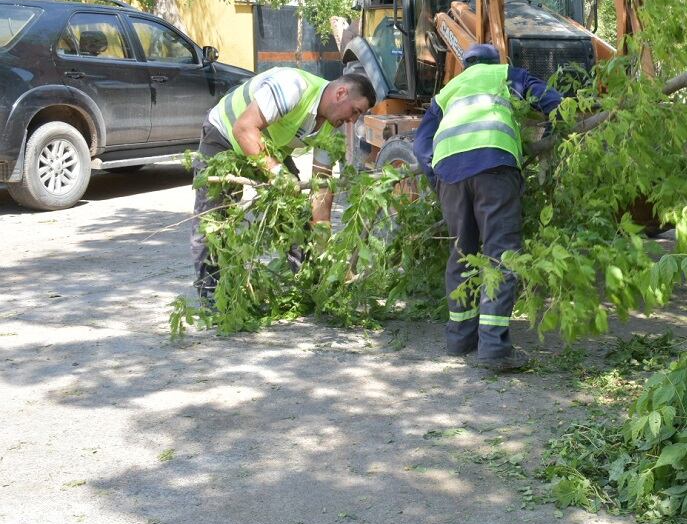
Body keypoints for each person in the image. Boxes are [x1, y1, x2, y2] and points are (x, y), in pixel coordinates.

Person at [413, 43, 562, 371]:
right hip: (494, 165)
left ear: (465, 66)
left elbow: (420, 143)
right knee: (501, 253)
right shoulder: (506, 74)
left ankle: (460, 337)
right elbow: (551, 100)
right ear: (497, 61)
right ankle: (494, 348)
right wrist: (563, 123)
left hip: (449, 174)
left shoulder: (448, 91)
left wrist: (437, 178)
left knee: (462, 253)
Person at [191, 68, 376, 304]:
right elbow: (243, 129)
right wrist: (278, 173)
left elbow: (321, 191)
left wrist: (323, 243)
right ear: (340, 93)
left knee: (296, 211)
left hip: (267, 146)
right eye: (355, 111)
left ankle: (311, 284)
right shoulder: (293, 87)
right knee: (214, 221)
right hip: (225, 136)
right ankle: (212, 296)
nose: (352, 121)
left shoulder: (332, 128)